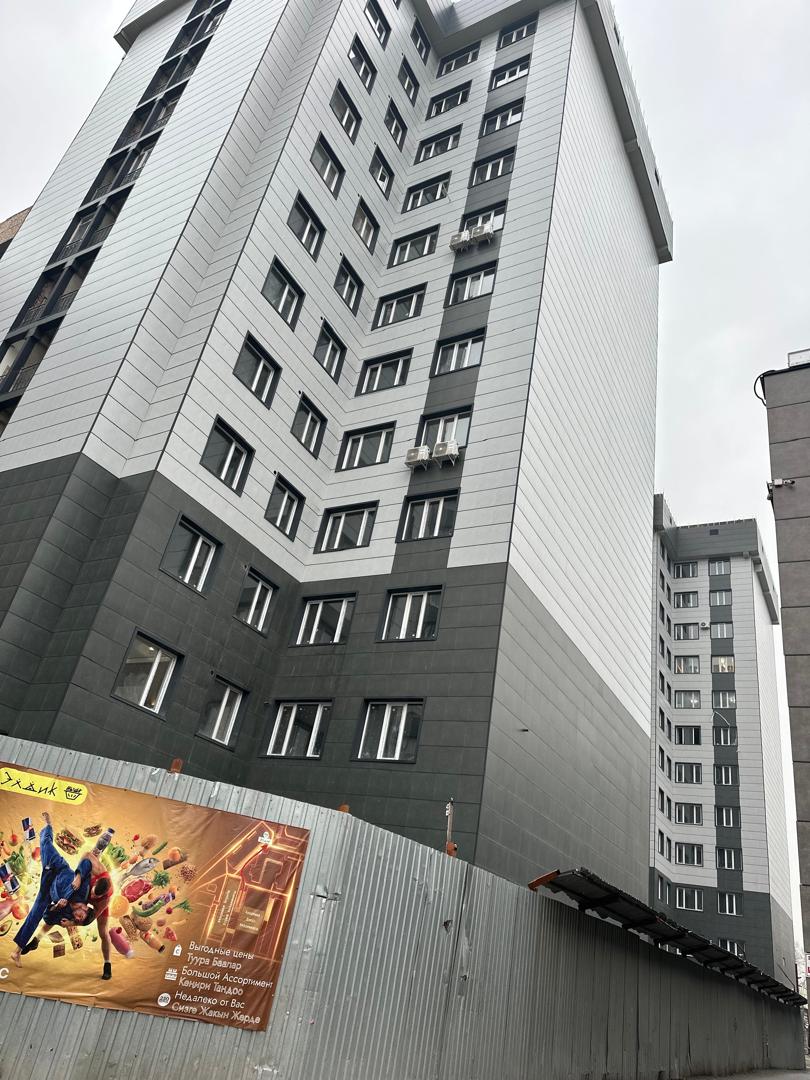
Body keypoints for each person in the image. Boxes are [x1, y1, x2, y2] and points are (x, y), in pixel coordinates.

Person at [10, 813, 95, 967]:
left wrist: (56, 907)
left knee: (34, 916)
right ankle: (48, 824)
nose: (77, 917)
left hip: (47, 892)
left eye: (78, 920)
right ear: (85, 908)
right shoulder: (83, 893)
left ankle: (16, 952)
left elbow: (48, 918)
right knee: (45, 843)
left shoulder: (68, 916)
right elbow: (87, 863)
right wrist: (78, 876)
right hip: (56, 867)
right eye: (81, 916)